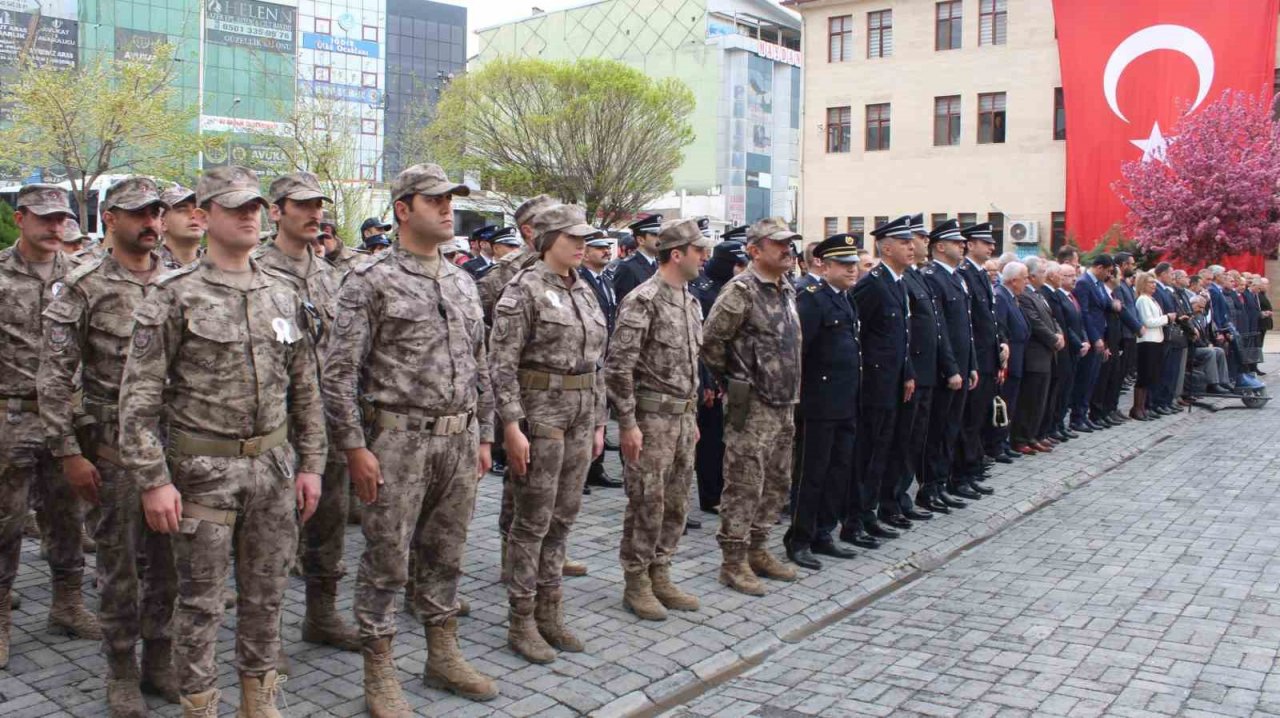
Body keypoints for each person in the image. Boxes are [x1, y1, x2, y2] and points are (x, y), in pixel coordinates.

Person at [117, 166, 326, 716]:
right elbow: (136, 401)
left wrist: (313, 465)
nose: (250, 216)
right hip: (201, 471)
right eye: (236, 209)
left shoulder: (282, 294)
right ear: (204, 218)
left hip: (274, 470)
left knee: (267, 597)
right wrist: (154, 480)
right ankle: (200, 706)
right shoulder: (173, 296)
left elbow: (305, 389)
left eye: (256, 207)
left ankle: (260, 702)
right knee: (201, 604)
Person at [320, 164, 497, 709]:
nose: (448, 209)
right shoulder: (370, 281)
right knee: (387, 559)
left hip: (457, 439)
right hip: (396, 442)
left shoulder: (462, 280)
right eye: (434, 200)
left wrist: (484, 435)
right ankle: (380, 671)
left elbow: (480, 364)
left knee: (446, 553)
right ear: (403, 209)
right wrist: (354, 448)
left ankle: (442, 654)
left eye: (451, 200)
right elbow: (338, 374)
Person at [40, 180, 177, 717]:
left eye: (157, 213)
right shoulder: (84, 286)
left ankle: (159, 659)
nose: (152, 222)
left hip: (174, 451)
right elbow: (54, 378)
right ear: (111, 217)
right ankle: (121, 669)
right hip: (112, 454)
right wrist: (69, 452)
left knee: (168, 565)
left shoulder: (179, 281)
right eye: (140, 213)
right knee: (119, 567)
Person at [248, 172, 363, 658]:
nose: (315, 214)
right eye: (302, 205)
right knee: (268, 535)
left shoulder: (331, 274)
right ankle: (261, 637)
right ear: (275, 212)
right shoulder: (253, 270)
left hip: (328, 421)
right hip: (273, 425)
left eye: (319, 205)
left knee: (330, 521)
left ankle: (321, 614)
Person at [489, 204, 609, 663]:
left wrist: (599, 421)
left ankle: (550, 611)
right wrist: (511, 426)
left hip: (579, 416)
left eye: (585, 239)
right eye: (572, 238)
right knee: (532, 521)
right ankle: (521, 621)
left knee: (563, 518)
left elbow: (595, 363)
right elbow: (500, 365)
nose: (583, 246)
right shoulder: (523, 290)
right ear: (546, 240)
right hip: (541, 418)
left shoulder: (585, 290)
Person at [0, 184, 100, 670]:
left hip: (65, 418)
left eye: (61, 218)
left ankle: (67, 604)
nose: (55, 227)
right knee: (7, 520)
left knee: (67, 516)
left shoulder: (81, 276)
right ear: (20, 219)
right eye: (45, 218)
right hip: (11, 415)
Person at [605, 218, 710, 618]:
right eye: (698, 250)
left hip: (682, 419)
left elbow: (690, 367)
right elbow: (619, 368)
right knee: (647, 502)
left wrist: (692, 414)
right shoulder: (644, 299)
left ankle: (661, 571)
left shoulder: (690, 300)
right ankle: (636, 580)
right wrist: (628, 424)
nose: (705, 256)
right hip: (651, 420)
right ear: (677, 254)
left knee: (676, 502)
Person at [700, 217, 802, 596]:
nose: (787, 250)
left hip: (785, 401)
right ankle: (733, 561)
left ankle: (758, 549)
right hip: (753, 404)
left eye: (790, 243)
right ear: (755, 250)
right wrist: (736, 380)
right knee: (744, 483)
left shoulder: (786, 288)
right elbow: (711, 342)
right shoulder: (740, 291)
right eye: (778, 244)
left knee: (777, 482)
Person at [785, 232, 862, 571]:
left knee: (837, 470)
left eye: (854, 264)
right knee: (811, 473)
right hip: (819, 402)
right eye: (844, 264)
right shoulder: (812, 299)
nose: (852, 270)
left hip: (845, 400)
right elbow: (798, 352)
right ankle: (799, 538)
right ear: (824, 265)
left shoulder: (845, 298)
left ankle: (823, 532)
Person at [845, 215, 917, 545]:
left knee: (882, 452)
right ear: (886, 247)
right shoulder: (872, 284)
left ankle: (869, 513)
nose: (912, 247)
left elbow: (900, 335)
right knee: (866, 453)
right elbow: (857, 333)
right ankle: (853, 520)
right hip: (873, 385)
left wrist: (906, 373)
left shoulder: (899, 282)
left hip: (893, 383)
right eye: (904, 243)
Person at [883, 215, 944, 528]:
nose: (916, 245)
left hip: (922, 372)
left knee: (915, 439)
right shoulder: (897, 280)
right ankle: (892, 500)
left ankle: (901, 497)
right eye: (908, 240)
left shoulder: (916, 276)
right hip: (909, 374)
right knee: (903, 442)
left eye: (915, 239)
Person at [920, 219, 977, 513]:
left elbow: (965, 328)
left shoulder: (956, 277)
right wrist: (952, 367)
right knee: (938, 429)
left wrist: (972, 365)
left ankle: (941, 483)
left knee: (951, 427)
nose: (962, 246)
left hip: (962, 365)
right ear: (940, 247)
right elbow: (940, 330)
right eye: (957, 242)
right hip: (946, 369)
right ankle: (930, 486)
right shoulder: (932, 277)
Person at [689, 239, 747, 516]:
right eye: (736, 263)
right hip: (708, 378)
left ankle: (721, 490)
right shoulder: (703, 291)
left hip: (730, 377)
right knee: (708, 441)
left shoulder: (734, 289)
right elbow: (704, 343)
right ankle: (710, 495)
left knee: (724, 438)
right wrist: (709, 382)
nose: (740, 269)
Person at [956, 223, 1006, 490]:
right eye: (985, 242)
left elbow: (989, 318)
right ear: (970, 245)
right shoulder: (965, 273)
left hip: (988, 356)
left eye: (991, 243)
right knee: (969, 419)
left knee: (978, 417)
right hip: (976, 357)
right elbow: (971, 322)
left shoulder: (981, 275)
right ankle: (964, 472)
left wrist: (1001, 344)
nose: (991, 247)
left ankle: (972, 467)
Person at [580, 234, 624, 492]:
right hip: (590, 356)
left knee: (601, 413)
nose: (606, 252)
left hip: (606, 354)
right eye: (599, 248)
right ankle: (583, 472)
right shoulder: (580, 280)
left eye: (607, 248)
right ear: (585, 253)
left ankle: (596, 469)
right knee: (588, 417)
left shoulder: (606, 278)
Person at [1013, 258, 1064, 454]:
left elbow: (1051, 319)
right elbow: (1035, 323)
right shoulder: (1025, 296)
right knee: (1030, 400)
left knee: (1040, 399)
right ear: (1032, 276)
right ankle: (1021, 437)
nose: (1046, 275)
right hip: (1035, 355)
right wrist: (1053, 339)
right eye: (1042, 272)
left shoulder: (1039, 294)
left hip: (1047, 355)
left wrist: (1059, 334)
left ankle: (1033, 435)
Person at [1071, 254, 1114, 432]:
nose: (1109, 276)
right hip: (1091, 337)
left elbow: (1104, 305)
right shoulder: (1084, 283)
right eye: (1108, 271)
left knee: (1092, 380)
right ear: (1099, 268)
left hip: (1100, 336)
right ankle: (1077, 417)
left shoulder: (1098, 284)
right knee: (1085, 379)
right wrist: (1095, 337)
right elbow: (1085, 313)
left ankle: (1083, 413)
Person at [992, 261, 1029, 463]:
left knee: (1011, 403)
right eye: (1024, 278)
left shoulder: (1012, 297)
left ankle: (1003, 442)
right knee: (1004, 404)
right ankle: (998, 445)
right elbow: (1002, 329)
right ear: (1013, 280)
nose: (1027, 282)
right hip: (1008, 361)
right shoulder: (1001, 297)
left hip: (1018, 359)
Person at [1132, 271, 1171, 420]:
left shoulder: (1152, 299)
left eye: (1155, 282)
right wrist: (1167, 318)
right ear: (1143, 284)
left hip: (1156, 339)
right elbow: (1148, 322)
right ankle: (1137, 407)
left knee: (1151, 375)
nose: (1154, 285)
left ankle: (1143, 407)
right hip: (1147, 341)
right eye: (1150, 282)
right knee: (1144, 375)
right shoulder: (1142, 300)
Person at [611, 214, 662, 301]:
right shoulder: (627, 267)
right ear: (640, 240)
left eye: (661, 235)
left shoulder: (659, 265)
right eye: (655, 235)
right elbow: (624, 304)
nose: (660, 239)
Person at [159, 185, 206, 268]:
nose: (194, 215)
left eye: (198, 210)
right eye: (182, 210)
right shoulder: (147, 268)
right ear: (162, 223)